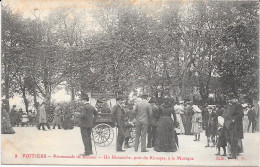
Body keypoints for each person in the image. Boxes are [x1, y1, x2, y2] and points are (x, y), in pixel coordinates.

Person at [223, 93, 244, 159]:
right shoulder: (229, 105)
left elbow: (241, 114)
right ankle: (235, 151)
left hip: (235, 126)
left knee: (233, 140)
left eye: (230, 99)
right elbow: (226, 114)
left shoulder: (238, 105)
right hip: (227, 125)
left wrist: (233, 119)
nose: (229, 101)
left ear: (234, 99)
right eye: (228, 99)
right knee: (228, 139)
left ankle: (233, 154)